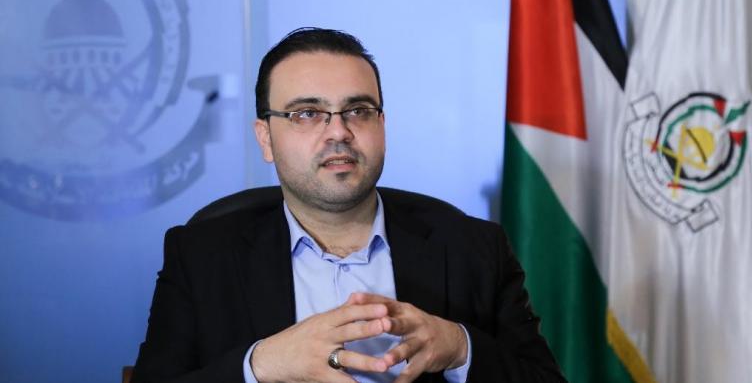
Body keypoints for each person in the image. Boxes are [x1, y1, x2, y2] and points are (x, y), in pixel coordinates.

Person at [131, 28, 566, 383]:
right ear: (265, 138)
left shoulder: (473, 248)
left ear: (382, 125)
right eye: (307, 113)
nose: (338, 132)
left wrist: (459, 348)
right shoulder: (201, 257)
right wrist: (260, 364)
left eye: (357, 110)